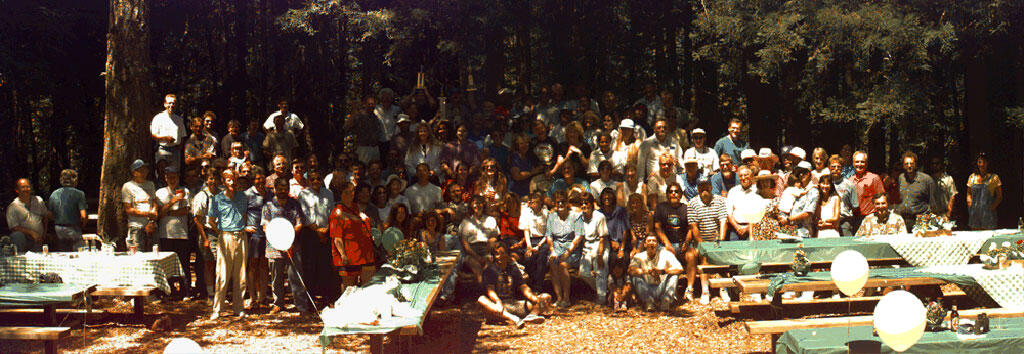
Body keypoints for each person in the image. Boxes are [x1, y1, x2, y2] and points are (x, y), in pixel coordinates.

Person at [206, 169, 250, 319]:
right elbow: (211, 220)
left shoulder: (243, 197)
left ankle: (239, 308)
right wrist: (221, 232)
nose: (232, 182)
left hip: (241, 237)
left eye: (234, 179)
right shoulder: (217, 199)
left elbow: (243, 216)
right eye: (229, 179)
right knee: (222, 275)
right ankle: (217, 309)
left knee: (241, 275)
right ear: (224, 182)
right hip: (225, 237)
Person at [477, 242, 552, 328]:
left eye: (502, 253)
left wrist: (533, 297)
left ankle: (531, 316)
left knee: (546, 297)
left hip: (513, 305)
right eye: (496, 254)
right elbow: (490, 291)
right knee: (481, 299)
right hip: (497, 307)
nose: (499, 256)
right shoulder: (490, 270)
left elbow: (523, 287)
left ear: (507, 254)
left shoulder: (512, 268)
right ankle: (514, 319)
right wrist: (498, 302)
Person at [261, 177, 308, 314]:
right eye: (280, 188)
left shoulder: (294, 203)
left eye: (285, 188)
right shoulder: (268, 205)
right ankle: (278, 303)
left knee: (296, 276)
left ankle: (301, 305)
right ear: (274, 189)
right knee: (276, 277)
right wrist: (280, 240)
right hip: (274, 247)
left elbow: (299, 223)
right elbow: (265, 226)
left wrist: (289, 239)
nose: (283, 190)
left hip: (293, 246)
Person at [297, 170, 339, 301]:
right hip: (310, 234)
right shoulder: (303, 194)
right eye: (312, 179)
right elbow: (303, 216)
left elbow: (332, 213)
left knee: (325, 267)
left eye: (318, 179)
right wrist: (317, 231)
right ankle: (310, 300)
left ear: (322, 180)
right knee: (310, 268)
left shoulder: (329, 193)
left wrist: (325, 230)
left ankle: (327, 298)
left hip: (326, 233)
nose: (315, 181)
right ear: (308, 181)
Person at [653, 182, 697, 301]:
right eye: (671, 191)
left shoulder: (686, 209)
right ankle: (670, 290)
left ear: (681, 194)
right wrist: (667, 244)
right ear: (667, 194)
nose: (673, 194)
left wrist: (686, 242)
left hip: (683, 243)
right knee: (665, 256)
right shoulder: (661, 208)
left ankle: (689, 289)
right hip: (666, 244)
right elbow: (657, 228)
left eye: (676, 191)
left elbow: (690, 229)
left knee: (691, 255)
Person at [687, 181, 727, 304]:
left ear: (711, 187)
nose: (704, 189)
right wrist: (703, 244)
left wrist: (720, 241)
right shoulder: (692, 203)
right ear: (698, 189)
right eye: (701, 187)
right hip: (700, 241)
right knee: (704, 256)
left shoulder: (719, 200)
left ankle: (724, 288)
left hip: (717, 239)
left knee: (724, 255)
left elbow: (723, 221)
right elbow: (694, 227)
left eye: (706, 186)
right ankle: (705, 291)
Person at [155, 167, 192, 299]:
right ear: (165, 178)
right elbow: (158, 214)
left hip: (182, 234)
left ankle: (185, 291)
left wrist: (169, 213)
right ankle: (169, 292)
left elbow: (186, 211)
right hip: (165, 234)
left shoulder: (185, 191)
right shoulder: (160, 193)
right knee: (167, 264)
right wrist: (172, 202)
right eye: (169, 177)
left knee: (183, 263)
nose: (172, 180)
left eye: (174, 177)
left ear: (178, 177)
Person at [546, 190, 585, 309]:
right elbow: (548, 235)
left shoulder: (576, 216)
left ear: (567, 202)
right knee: (552, 262)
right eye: (558, 202)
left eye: (563, 202)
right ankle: (559, 297)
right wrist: (552, 250)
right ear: (555, 203)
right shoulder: (552, 217)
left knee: (562, 265)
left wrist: (568, 252)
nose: (560, 204)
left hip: (572, 249)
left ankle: (566, 298)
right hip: (557, 247)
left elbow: (579, 236)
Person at [629, 234, 684, 312]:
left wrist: (663, 271)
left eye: (654, 241)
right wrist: (647, 271)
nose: (651, 243)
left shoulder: (666, 254)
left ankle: (666, 301)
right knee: (635, 276)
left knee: (674, 275)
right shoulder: (639, 256)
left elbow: (680, 269)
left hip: (662, 287)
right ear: (644, 244)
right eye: (649, 241)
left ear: (657, 244)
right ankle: (649, 302)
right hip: (646, 288)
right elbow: (630, 270)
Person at [578, 193, 610, 305]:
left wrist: (600, 255)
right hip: (587, 245)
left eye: (586, 203)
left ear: (591, 204)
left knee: (600, 269)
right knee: (583, 273)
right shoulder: (580, 217)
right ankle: (602, 290)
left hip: (600, 244)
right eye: (581, 203)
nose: (583, 205)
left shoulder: (599, 217)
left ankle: (601, 298)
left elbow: (602, 238)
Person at [896, 152, 939, 231]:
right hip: (904, 220)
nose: (909, 166)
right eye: (906, 164)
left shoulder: (926, 180)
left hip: (921, 220)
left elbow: (933, 203)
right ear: (903, 165)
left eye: (911, 163)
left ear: (916, 164)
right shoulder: (901, 178)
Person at [460, 196, 499, 283]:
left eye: (479, 203)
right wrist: (478, 257)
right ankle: (484, 293)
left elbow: (494, 237)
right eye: (474, 203)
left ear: (484, 204)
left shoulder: (490, 220)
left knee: (488, 268)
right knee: (478, 269)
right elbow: (465, 245)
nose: (477, 205)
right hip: (471, 253)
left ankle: (488, 293)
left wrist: (489, 253)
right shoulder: (466, 222)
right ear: (470, 205)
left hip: (487, 249)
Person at [122, 159, 158, 251]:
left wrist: (152, 221)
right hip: (136, 227)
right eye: (141, 170)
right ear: (134, 173)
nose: (144, 172)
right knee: (136, 255)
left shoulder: (150, 184)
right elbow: (128, 209)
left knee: (153, 253)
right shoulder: (128, 186)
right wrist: (148, 214)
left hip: (151, 226)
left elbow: (154, 202)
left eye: (145, 169)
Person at [7, 178, 52, 252]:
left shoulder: (38, 200)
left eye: (28, 186)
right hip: (23, 240)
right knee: (17, 235)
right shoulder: (13, 207)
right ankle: (18, 257)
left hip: (38, 239)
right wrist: (32, 233)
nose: (26, 189)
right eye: (23, 187)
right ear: (17, 190)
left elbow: (45, 218)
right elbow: (14, 227)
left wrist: (44, 234)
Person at [48, 169, 87, 252]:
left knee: (63, 254)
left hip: (58, 229)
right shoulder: (79, 194)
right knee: (80, 254)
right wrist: (82, 225)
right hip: (74, 229)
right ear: (75, 180)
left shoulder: (54, 194)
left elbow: (49, 214)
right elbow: (83, 215)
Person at [519, 192, 551, 290]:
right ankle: (533, 282)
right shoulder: (526, 213)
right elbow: (526, 230)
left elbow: (548, 233)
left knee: (541, 258)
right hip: (531, 240)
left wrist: (539, 246)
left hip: (543, 241)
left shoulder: (546, 213)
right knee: (528, 258)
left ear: (541, 202)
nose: (535, 205)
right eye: (532, 202)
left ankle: (539, 285)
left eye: (537, 202)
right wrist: (529, 247)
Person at [849, 151, 885, 231]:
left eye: (862, 162)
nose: (859, 164)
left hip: (871, 217)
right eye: (857, 162)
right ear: (853, 163)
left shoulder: (874, 178)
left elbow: (882, 198)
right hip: (855, 219)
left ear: (866, 163)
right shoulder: (850, 181)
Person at [150, 94, 187, 172]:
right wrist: (165, 138)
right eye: (169, 103)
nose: (171, 105)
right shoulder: (158, 118)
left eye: (173, 103)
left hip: (175, 151)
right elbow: (153, 135)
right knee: (162, 172)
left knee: (174, 174)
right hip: (163, 150)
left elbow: (183, 136)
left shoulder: (179, 119)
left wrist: (179, 148)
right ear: (165, 104)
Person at [966, 153, 1002, 230]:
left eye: (984, 162)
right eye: (979, 162)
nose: (982, 165)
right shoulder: (972, 177)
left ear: (988, 163)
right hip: (975, 214)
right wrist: (970, 204)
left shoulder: (994, 178)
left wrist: (992, 207)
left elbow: (999, 196)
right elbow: (968, 193)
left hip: (988, 215)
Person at [725, 166, 760, 240]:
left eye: (746, 175)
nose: (743, 178)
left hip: (753, 229)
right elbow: (729, 213)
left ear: (751, 176)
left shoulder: (757, 191)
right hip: (735, 230)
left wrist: (747, 228)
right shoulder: (733, 191)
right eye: (741, 176)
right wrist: (738, 228)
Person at [828, 155, 858, 236]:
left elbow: (855, 206)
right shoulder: (825, 184)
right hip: (828, 222)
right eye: (833, 167)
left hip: (845, 222)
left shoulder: (849, 185)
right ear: (828, 168)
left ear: (842, 168)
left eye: (839, 167)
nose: (836, 169)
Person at [751, 172, 781, 240]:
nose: (765, 183)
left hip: (773, 232)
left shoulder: (777, 200)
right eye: (762, 181)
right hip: (758, 232)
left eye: (767, 181)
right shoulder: (755, 199)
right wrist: (751, 236)